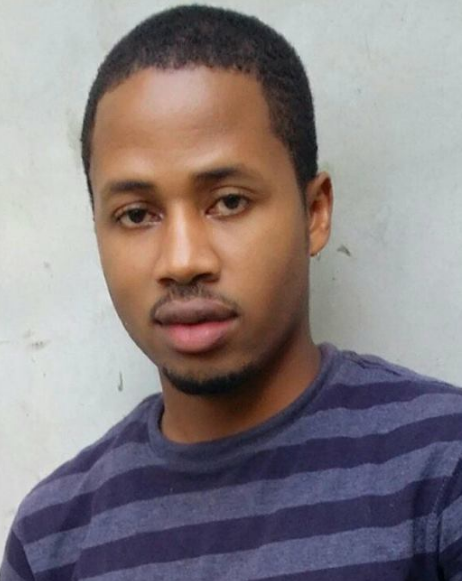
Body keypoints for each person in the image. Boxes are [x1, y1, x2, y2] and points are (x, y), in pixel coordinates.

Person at [2, 4, 462, 580]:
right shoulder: (51, 540)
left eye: (228, 202)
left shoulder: (442, 470)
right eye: (137, 214)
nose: (182, 260)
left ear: (314, 213)